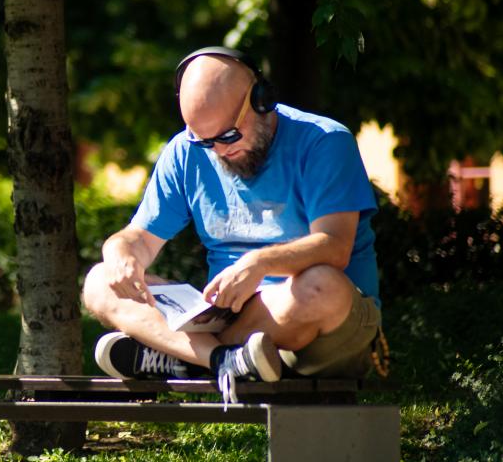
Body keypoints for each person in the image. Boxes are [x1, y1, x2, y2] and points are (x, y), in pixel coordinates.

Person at [82, 47, 385, 400]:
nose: (220, 151)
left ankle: (179, 356)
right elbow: (137, 238)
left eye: (228, 136)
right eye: (205, 141)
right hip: (227, 320)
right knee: (98, 281)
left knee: (323, 286)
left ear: (261, 99)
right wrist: (121, 254)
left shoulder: (324, 141)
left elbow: (335, 246)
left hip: (320, 325)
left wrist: (260, 264)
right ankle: (221, 359)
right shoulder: (186, 151)